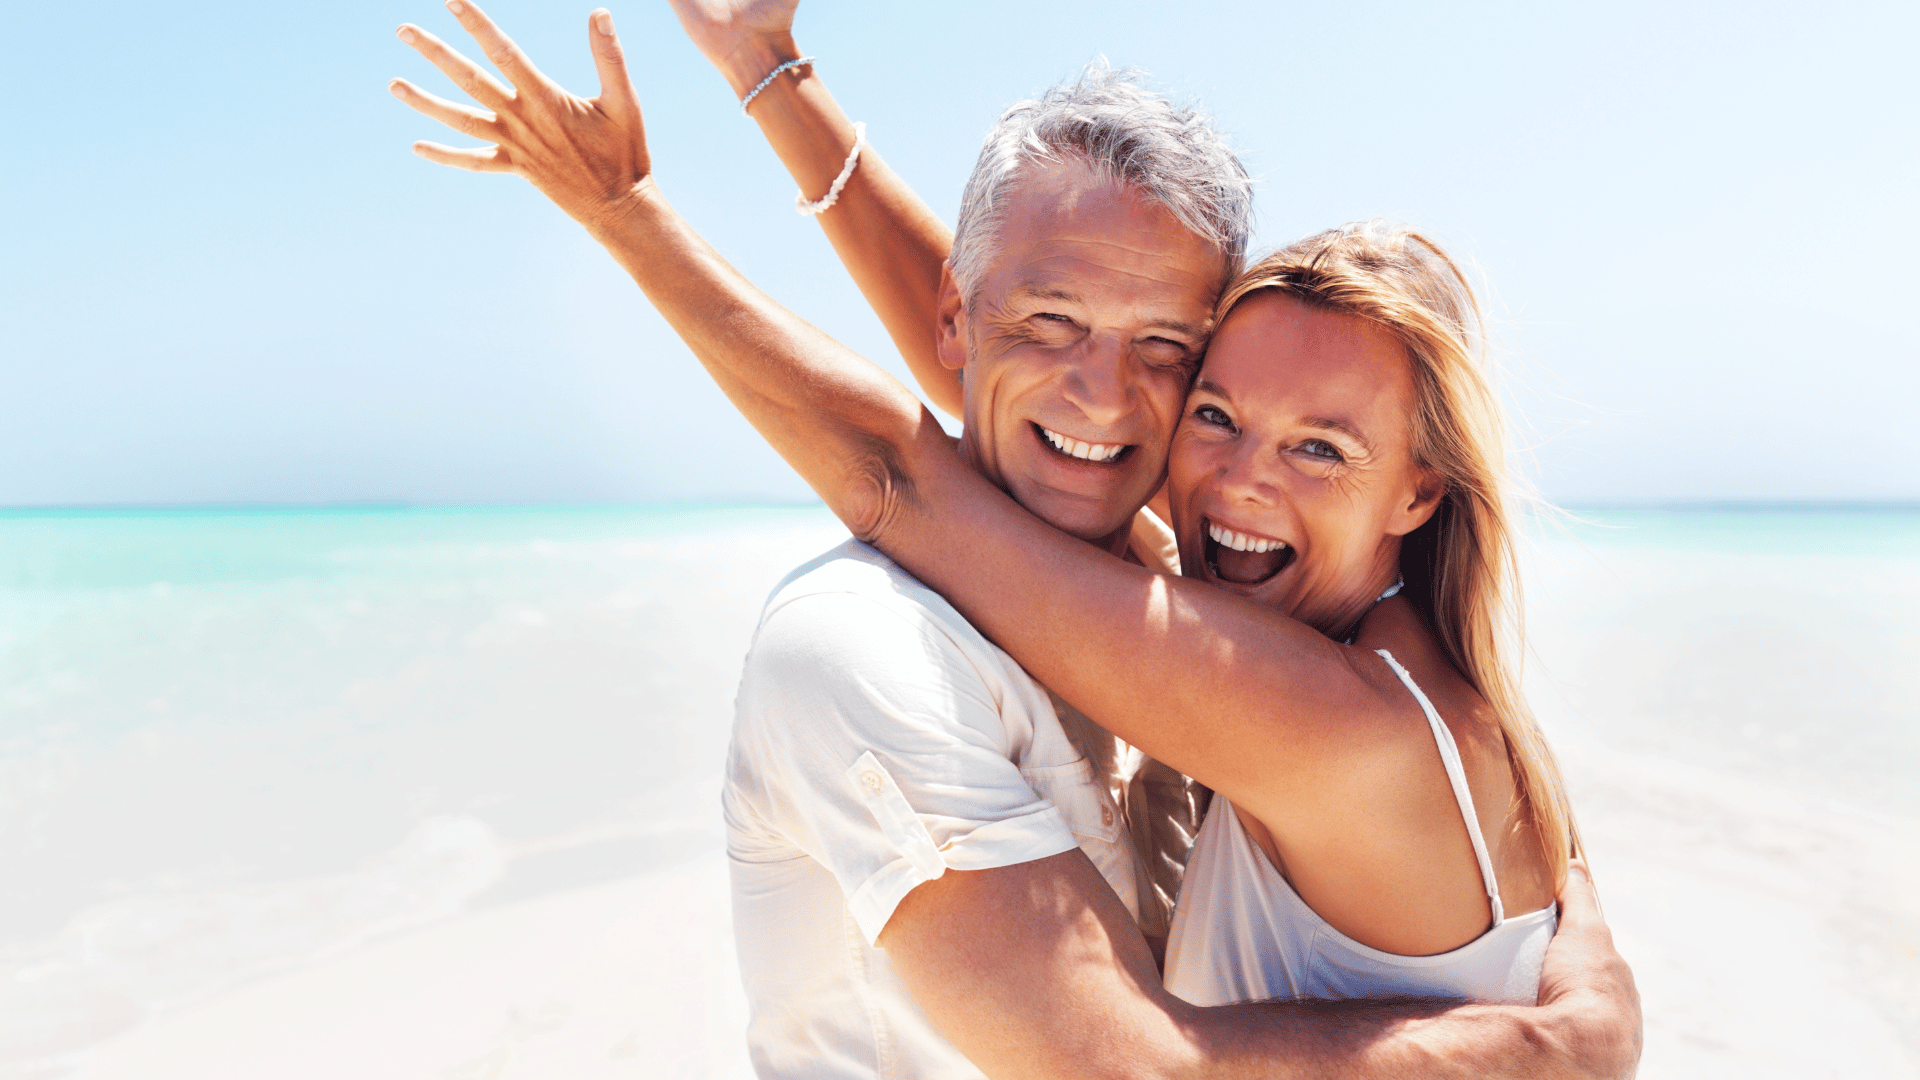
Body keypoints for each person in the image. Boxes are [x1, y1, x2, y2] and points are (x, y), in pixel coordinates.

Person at [387, 6, 1642, 1079]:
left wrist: (626, 210)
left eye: (1321, 448)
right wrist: (774, 78)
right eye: (1215, 410)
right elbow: (1037, 349)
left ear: (1420, 494)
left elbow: (920, 471)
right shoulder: (1351, 622)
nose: (1231, 474)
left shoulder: (1316, 705)